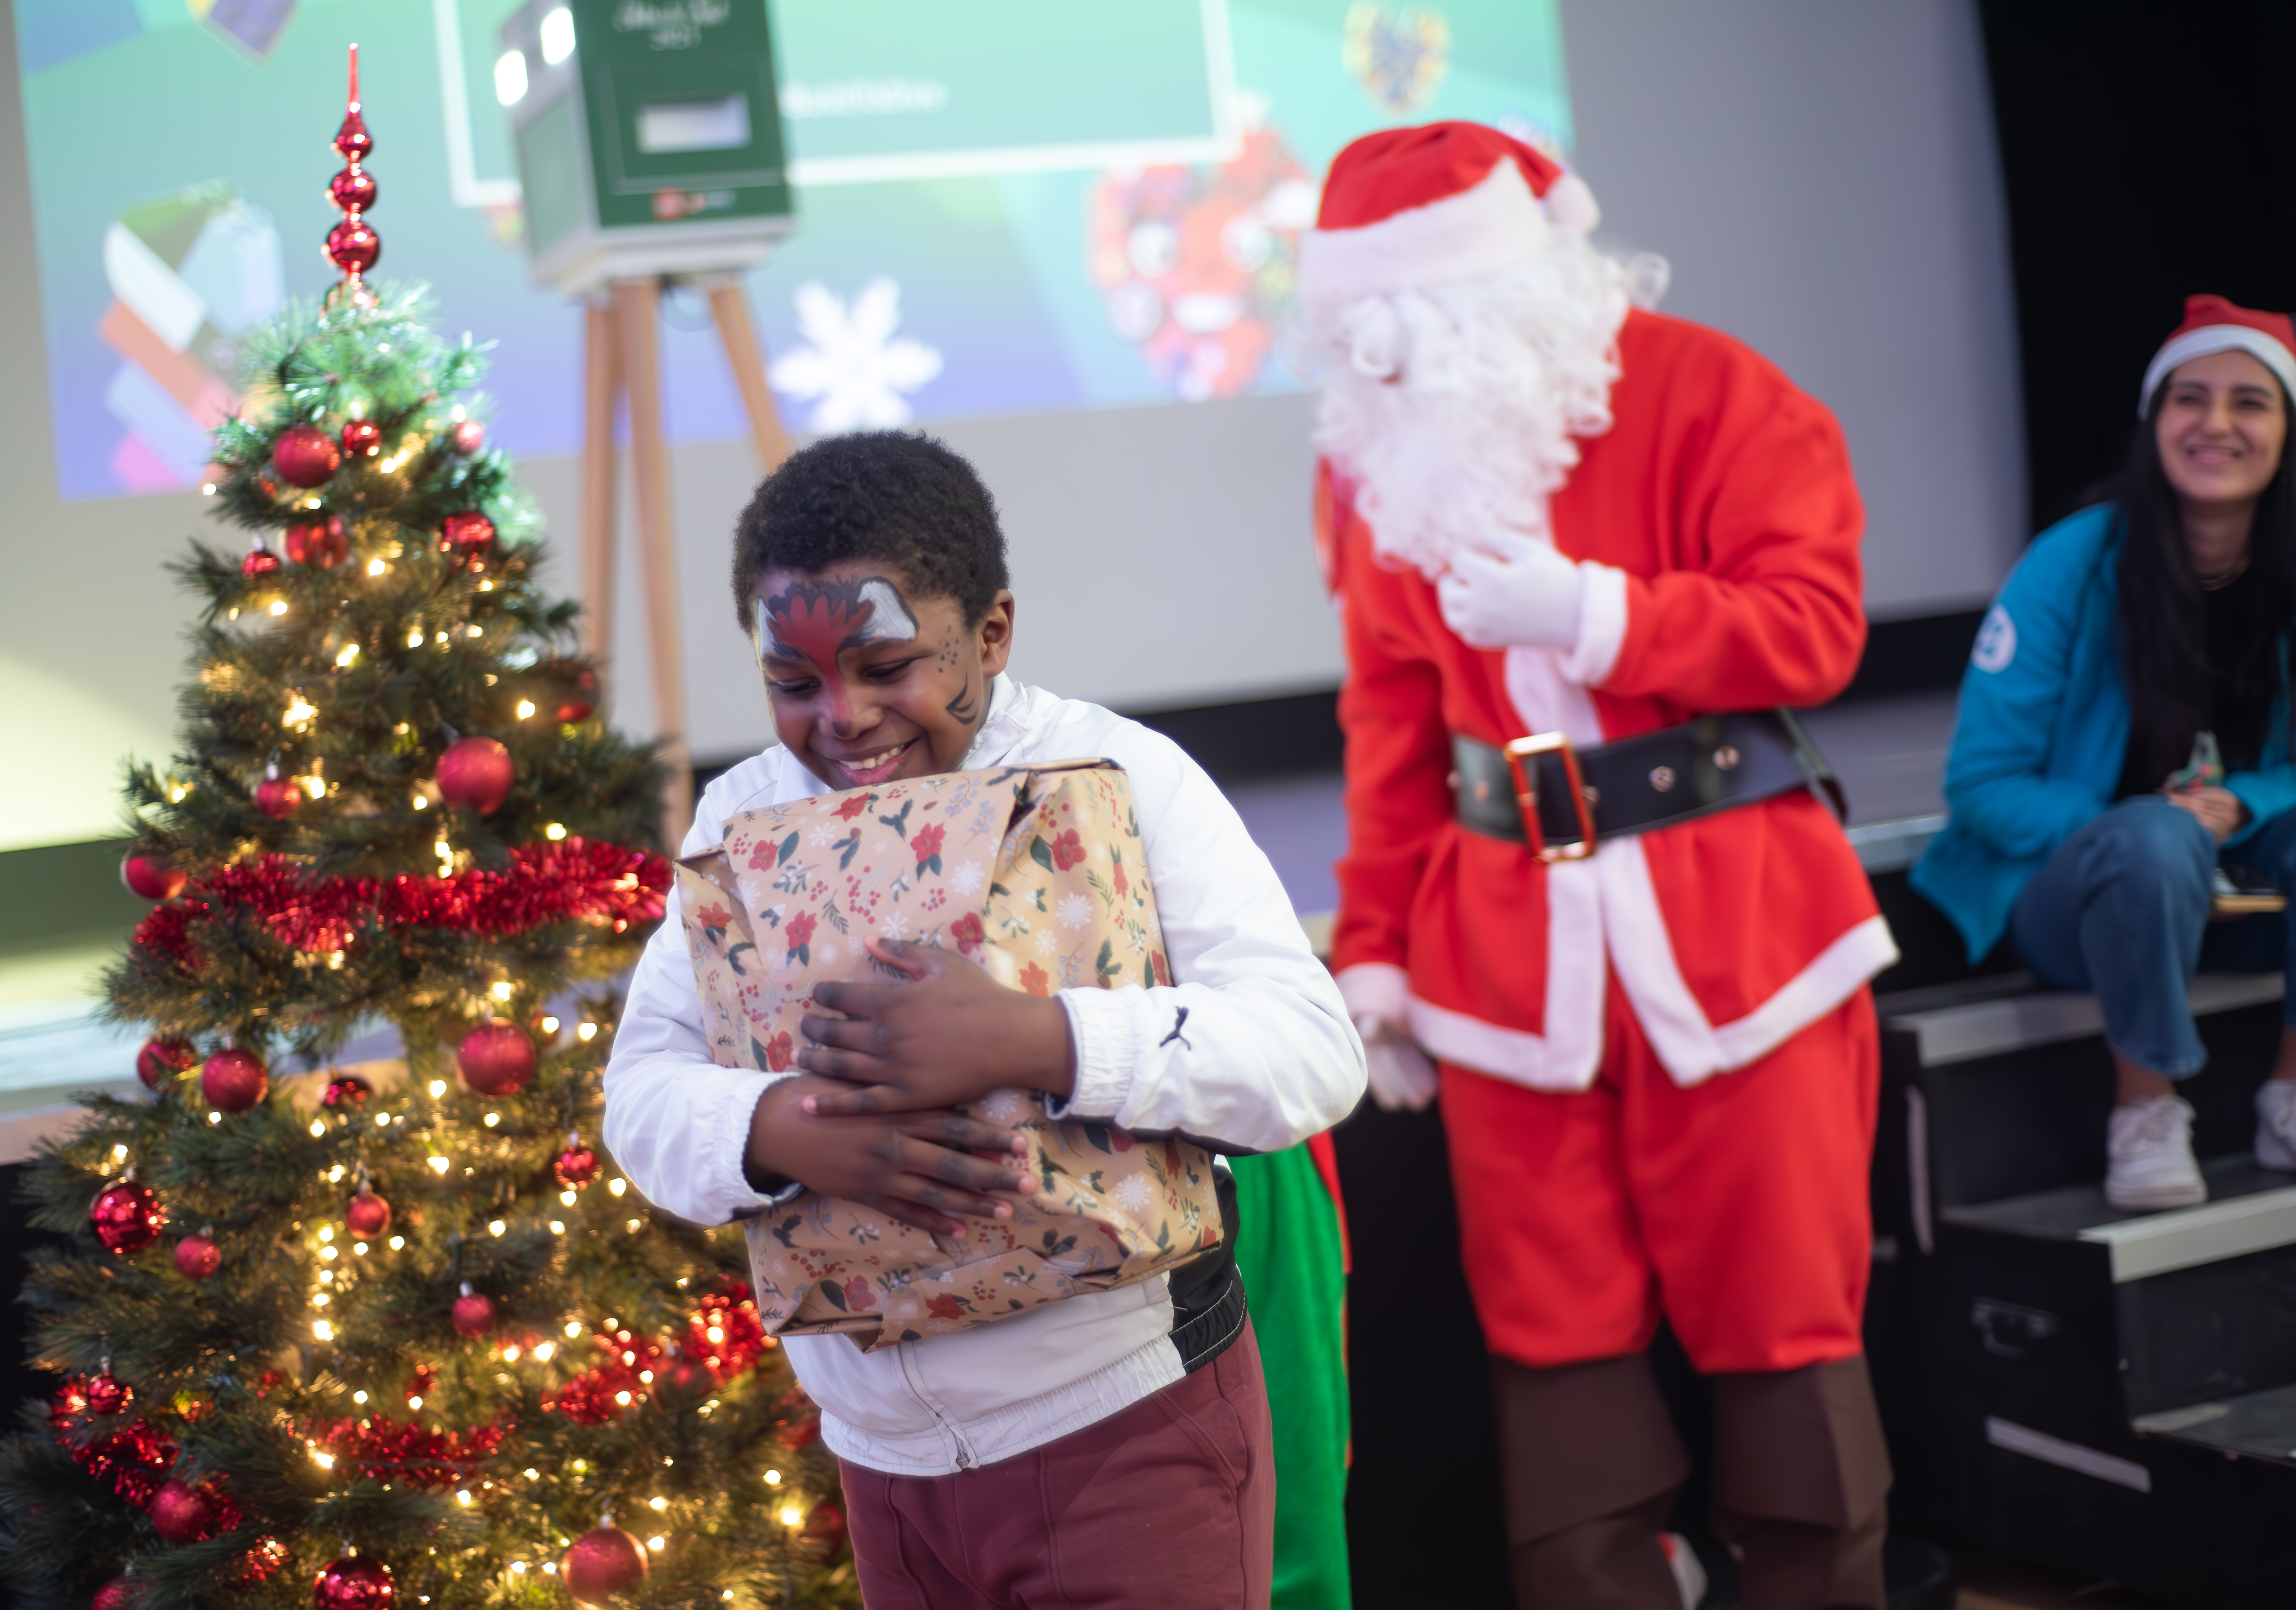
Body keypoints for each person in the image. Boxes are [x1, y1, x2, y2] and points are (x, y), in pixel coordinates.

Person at [602, 431, 1367, 1610]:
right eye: (794, 684)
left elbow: (1310, 1052)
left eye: (887, 666)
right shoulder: (740, 824)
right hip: (883, 1470)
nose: (844, 717)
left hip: (1126, 1428)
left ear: (992, 633)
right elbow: (640, 1098)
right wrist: (779, 1127)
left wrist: (1041, 1041)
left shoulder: (1117, 772)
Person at [1304, 123, 1896, 1610]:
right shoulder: (1369, 456)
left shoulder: (1712, 391)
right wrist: (1370, 949)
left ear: (1507, 288)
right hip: (1501, 958)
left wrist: (1598, 614)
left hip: (1740, 930)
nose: (1390, 358)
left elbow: (1812, 627)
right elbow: (1388, 723)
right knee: (1550, 1349)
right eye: (1364, 329)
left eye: (1419, 322)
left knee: (1783, 1333)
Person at [1914, 295, 2296, 1212]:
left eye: (2248, 402)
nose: (2214, 424)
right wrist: (2141, 825)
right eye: (2186, 398)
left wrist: (2241, 800)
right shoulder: (2070, 562)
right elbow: (1981, 784)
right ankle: (2145, 1112)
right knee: (2149, 845)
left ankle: (2287, 1093)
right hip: (2078, 900)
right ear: (2151, 420)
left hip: (2244, 896)